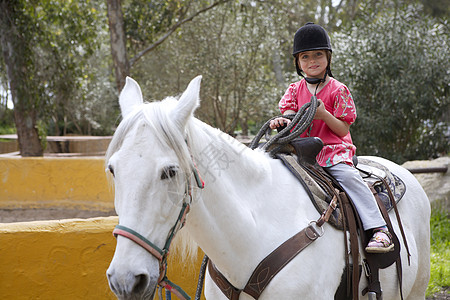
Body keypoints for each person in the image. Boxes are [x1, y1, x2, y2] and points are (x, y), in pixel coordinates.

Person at [270, 22, 393, 253]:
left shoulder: (338, 90)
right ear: (298, 62)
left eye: (318, 55)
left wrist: (324, 115)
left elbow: (343, 129)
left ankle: (379, 228)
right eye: (305, 57)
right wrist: (282, 122)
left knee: (348, 177)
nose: (312, 61)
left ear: (328, 57)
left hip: (332, 149)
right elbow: (289, 118)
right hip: (301, 151)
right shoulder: (294, 90)